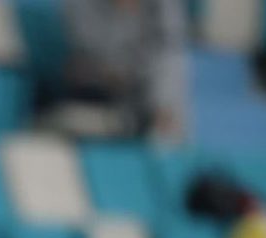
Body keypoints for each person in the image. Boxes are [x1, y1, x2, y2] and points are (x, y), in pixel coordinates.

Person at [39, 0, 189, 140]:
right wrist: (125, 16)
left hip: (149, 101)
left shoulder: (164, 7)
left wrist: (163, 106)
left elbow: (170, 50)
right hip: (96, 102)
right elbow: (87, 56)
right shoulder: (79, 6)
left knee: (168, 125)